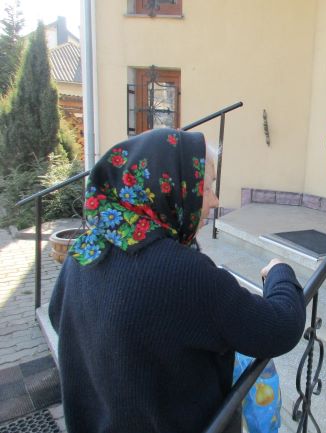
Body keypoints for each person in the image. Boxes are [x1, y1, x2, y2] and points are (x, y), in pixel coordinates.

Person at [48, 128, 306, 433]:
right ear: (173, 188)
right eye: (206, 188)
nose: (215, 200)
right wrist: (280, 272)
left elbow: (56, 314)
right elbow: (280, 327)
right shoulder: (184, 274)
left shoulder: (84, 252)